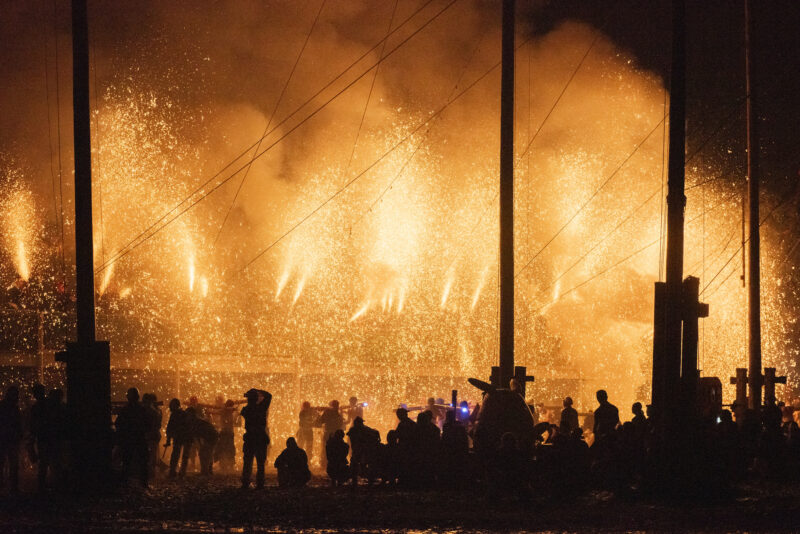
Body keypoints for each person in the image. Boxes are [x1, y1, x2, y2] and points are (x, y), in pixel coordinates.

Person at [115, 387, 149, 486]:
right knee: (142, 460)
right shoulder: (142, 409)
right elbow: (148, 424)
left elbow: (118, 423)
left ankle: (125, 481)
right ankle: (143, 482)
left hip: (129, 439)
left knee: (127, 460)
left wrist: (122, 434)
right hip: (139, 438)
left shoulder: (125, 410)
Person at [240, 388, 271, 489]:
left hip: (249, 438)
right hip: (260, 438)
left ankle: (245, 483)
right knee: (260, 463)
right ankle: (260, 484)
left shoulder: (246, 410)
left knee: (247, 462)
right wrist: (258, 390)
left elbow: (244, 412)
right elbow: (269, 396)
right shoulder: (261, 408)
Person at [346, 416, 380, 485]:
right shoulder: (361, 429)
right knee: (357, 464)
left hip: (362, 450)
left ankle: (360, 479)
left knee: (357, 464)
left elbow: (376, 433)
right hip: (361, 450)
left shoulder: (355, 430)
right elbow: (376, 433)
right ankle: (366, 479)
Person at [0, 386, 21, 493]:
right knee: (12, 463)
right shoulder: (12, 408)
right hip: (8, 439)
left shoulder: (6, 406)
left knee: (7, 463)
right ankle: (13, 487)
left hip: (6, 439)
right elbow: (17, 424)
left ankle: (11, 486)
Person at [165, 398, 192, 478]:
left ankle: (174, 472)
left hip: (181, 437)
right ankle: (181, 472)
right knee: (183, 456)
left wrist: (168, 440)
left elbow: (169, 428)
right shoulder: (183, 413)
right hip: (184, 437)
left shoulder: (175, 414)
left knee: (177, 455)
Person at [316, 400, 344, 471]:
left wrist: (318, 414)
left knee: (325, 450)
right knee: (335, 450)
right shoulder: (338, 413)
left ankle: (324, 466)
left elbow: (320, 421)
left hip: (328, 434)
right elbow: (341, 424)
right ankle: (334, 465)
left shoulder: (327, 412)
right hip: (336, 435)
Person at [142, 393, 163, 479]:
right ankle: (151, 472)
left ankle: (150, 473)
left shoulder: (150, 411)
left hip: (150, 435)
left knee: (150, 455)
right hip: (154, 435)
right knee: (153, 455)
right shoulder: (157, 411)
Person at [215, 400, 238, 473]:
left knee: (225, 448)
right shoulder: (225, 411)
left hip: (226, 433)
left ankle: (227, 465)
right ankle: (225, 465)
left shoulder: (227, 411)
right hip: (227, 432)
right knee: (227, 448)